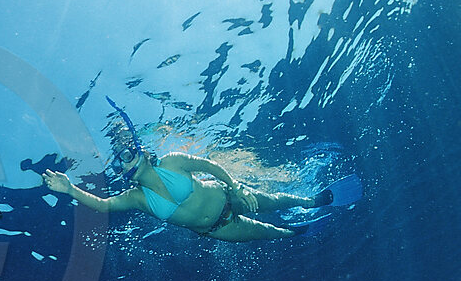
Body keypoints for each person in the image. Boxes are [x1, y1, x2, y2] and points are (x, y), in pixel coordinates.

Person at [42, 98, 361, 242]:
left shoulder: (171, 162)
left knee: (275, 201)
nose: (123, 160)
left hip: (228, 197)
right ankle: (296, 232)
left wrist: (236, 186)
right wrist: (70, 189)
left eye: (127, 152)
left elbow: (209, 164)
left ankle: (313, 201)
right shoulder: (136, 197)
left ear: (141, 151)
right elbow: (104, 205)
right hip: (217, 230)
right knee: (267, 234)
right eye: (119, 160)